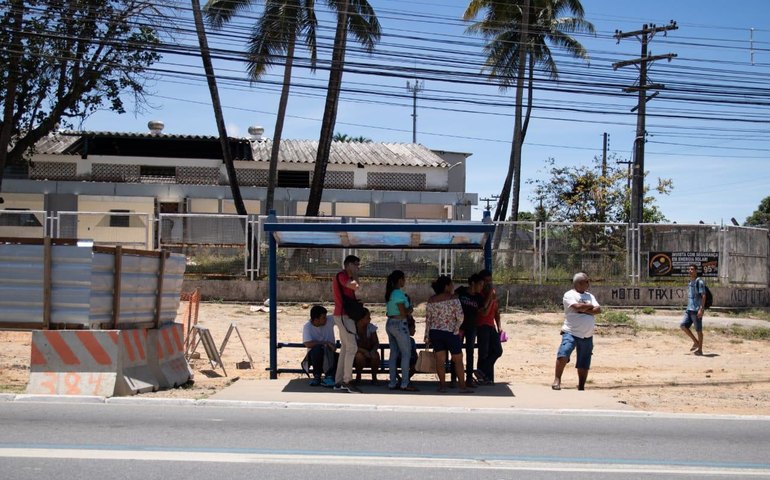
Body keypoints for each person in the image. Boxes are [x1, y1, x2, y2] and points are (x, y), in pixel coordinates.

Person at [424, 275, 473, 393]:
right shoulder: (454, 299)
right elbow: (460, 317)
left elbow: (428, 319)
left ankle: (442, 386)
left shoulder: (431, 300)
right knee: (458, 359)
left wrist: (427, 335)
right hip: (451, 332)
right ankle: (462, 386)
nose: (453, 286)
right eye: (451, 284)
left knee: (440, 360)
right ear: (446, 286)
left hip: (435, 332)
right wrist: (456, 329)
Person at [552, 272, 601, 391]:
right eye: (587, 281)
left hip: (587, 335)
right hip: (571, 332)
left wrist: (584, 308)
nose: (589, 284)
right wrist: (588, 307)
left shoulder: (590, 296)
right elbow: (577, 307)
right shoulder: (569, 295)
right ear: (580, 283)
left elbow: (598, 310)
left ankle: (581, 386)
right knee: (563, 354)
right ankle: (557, 380)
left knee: (584, 361)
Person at [332, 255, 363, 393]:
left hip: (344, 316)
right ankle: (347, 381)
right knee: (352, 347)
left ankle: (339, 381)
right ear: (348, 264)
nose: (358, 267)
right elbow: (355, 286)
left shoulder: (346, 276)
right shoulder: (342, 275)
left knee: (345, 348)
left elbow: (355, 287)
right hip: (343, 316)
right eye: (356, 264)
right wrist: (355, 274)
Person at [385, 270, 418, 391]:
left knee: (393, 354)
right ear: (400, 280)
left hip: (390, 323)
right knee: (406, 354)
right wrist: (410, 309)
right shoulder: (398, 294)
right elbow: (403, 312)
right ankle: (405, 383)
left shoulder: (390, 293)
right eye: (403, 279)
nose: (404, 281)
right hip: (400, 324)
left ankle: (392, 382)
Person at [454, 273, 484, 387]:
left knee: (470, 352)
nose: (481, 287)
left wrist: (490, 299)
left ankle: (469, 379)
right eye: (480, 284)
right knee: (456, 352)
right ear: (473, 283)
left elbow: (483, 311)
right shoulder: (461, 291)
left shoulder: (478, 297)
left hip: (472, 327)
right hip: (459, 326)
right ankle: (454, 378)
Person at [475, 269, 503, 385]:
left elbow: (496, 311)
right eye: (486, 281)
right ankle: (484, 376)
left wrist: (499, 326)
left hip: (491, 325)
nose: (488, 283)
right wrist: (490, 297)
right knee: (483, 352)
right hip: (482, 325)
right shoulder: (479, 295)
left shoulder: (492, 293)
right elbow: (484, 312)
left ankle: (481, 371)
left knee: (497, 350)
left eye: (490, 281)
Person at [302, 305, 337, 387]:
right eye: (323, 318)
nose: (326, 319)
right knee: (317, 349)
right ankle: (317, 376)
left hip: (329, 353)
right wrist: (325, 343)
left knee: (340, 357)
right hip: (315, 355)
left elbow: (340, 317)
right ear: (316, 319)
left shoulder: (329, 320)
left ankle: (329, 377)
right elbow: (307, 343)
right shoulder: (307, 326)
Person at [681, 264, 707, 355]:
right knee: (683, 326)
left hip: (696, 310)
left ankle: (700, 349)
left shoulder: (699, 282)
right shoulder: (690, 282)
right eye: (689, 269)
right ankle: (696, 342)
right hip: (689, 309)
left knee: (698, 330)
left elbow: (703, 296)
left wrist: (701, 309)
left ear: (696, 271)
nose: (690, 271)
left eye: (692, 269)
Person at [354, 308, 381, 384]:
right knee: (359, 356)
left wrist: (373, 350)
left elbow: (376, 342)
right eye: (368, 317)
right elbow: (352, 345)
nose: (370, 319)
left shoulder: (370, 327)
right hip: (356, 352)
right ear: (361, 319)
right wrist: (364, 351)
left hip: (369, 351)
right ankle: (358, 376)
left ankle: (374, 377)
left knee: (375, 355)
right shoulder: (352, 329)